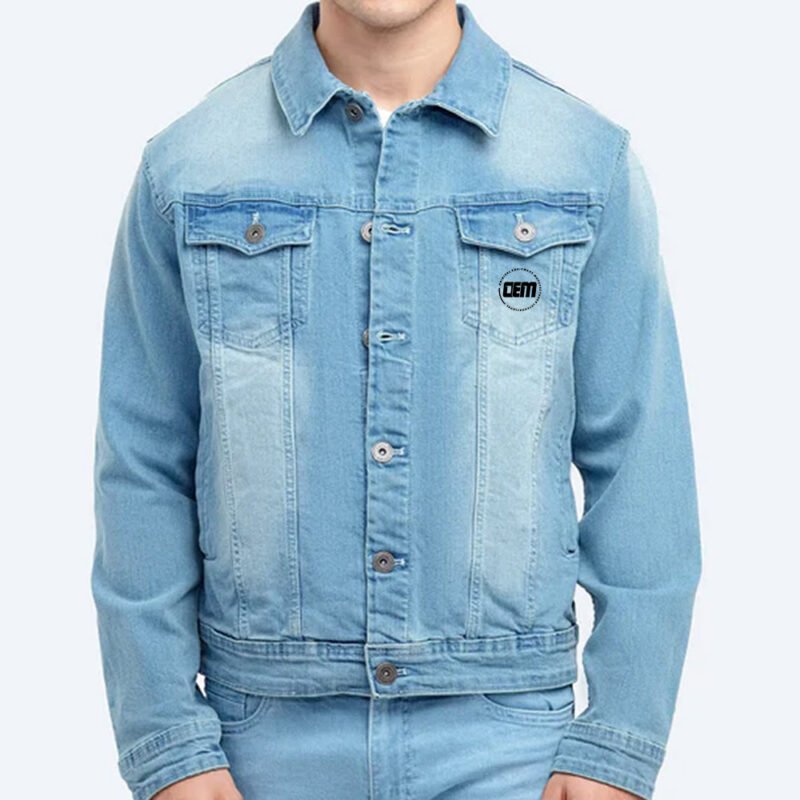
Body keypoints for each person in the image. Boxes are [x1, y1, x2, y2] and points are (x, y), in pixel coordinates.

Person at [91, 2, 702, 799]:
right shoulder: (191, 168)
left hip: (512, 746)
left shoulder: (583, 164)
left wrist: (616, 744)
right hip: (256, 745)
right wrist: (168, 742)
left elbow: (643, 461)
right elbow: (141, 463)